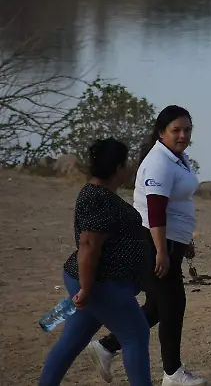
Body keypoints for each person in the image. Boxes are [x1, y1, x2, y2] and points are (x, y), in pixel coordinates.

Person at [88, 105, 206, 386]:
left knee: (156, 306)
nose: (182, 135)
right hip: (154, 242)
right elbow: (155, 210)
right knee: (173, 305)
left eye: (187, 130)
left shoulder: (177, 157)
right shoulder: (159, 163)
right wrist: (162, 251)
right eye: (176, 130)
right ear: (161, 132)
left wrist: (185, 240)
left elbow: (179, 204)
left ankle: (106, 347)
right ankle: (173, 373)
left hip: (171, 241)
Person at [39, 138, 153, 386]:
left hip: (98, 284)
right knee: (136, 335)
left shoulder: (100, 194)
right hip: (103, 285)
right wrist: (87, 290)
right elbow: (88, 246)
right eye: (126, 162)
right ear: (118, 167)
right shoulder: (98, 198)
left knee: (72, 341)